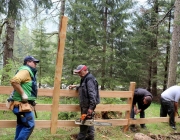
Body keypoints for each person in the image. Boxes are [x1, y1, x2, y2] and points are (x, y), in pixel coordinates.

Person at [7, 56, 39, 140]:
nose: (35, 64)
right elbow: (14, 81)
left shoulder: (28, 72)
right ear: (28, 62)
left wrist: (31, 100)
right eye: (34, 62)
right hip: (22, 105)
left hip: (21, 105)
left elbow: (26, 87)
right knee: (29, 125)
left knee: (22, 124)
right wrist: (23, 94)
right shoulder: (25, 70)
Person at [69, 65, 100, 140]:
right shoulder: (85, 78)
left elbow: (92, 93)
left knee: (83, 124)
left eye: (79, 72)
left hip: (88, 105)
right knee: (89, 123)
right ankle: (90, 137)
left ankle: (81, 138)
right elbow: (83, 87)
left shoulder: (89, 79)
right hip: (86, 105)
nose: (79, 74)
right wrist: (75, 86)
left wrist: (91, 107)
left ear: (84, 71)